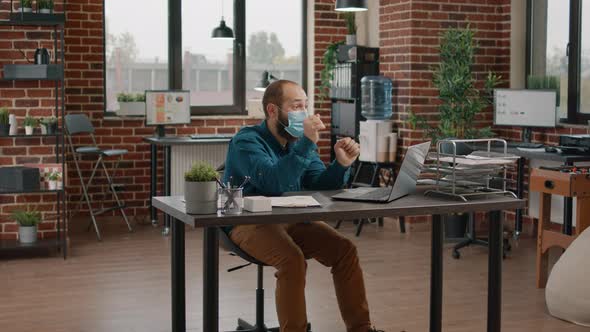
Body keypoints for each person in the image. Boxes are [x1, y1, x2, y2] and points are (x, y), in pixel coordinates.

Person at [223, 80, 384, 332]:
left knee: (345, 250)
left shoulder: (298, 143)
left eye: (306, 106)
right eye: (297, 107)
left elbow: (320, 184)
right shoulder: (246, 142)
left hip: (290, 218)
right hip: (248, 221)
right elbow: (273, 183)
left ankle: (362, 329)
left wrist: (341, 164)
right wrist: (308, 143)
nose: (305, 114)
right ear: (273, 111)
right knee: (293, 260)